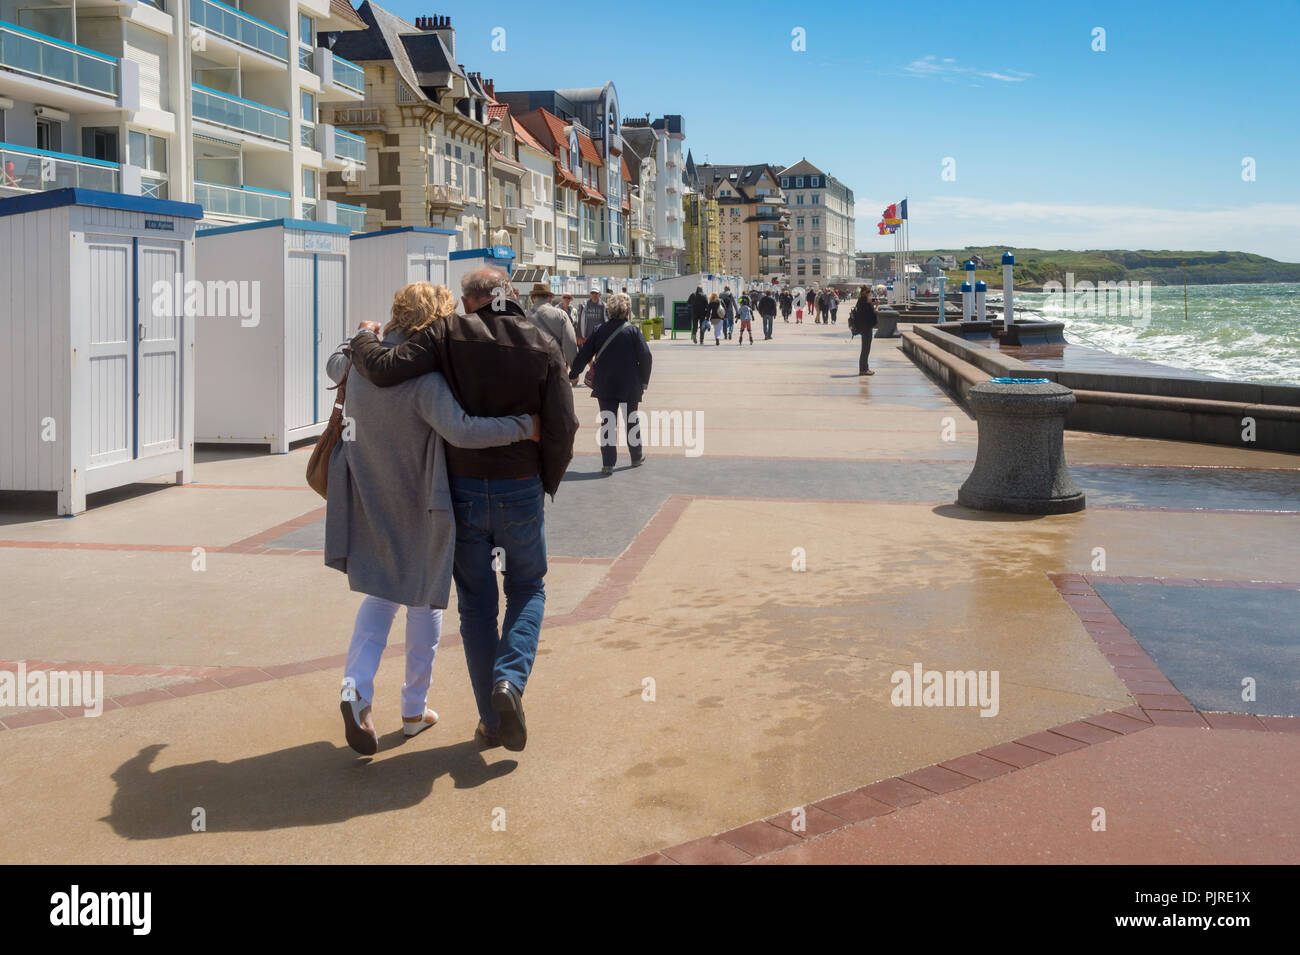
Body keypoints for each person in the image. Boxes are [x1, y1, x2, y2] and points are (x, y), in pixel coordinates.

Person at [345, 267, 579, 753]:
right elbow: (564, 422)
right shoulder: (541, 343)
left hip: (463, 490)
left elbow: (385, 369)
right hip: (519, 487)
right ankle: (509, 683)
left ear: (470, 299)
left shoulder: (446, 333)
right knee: (527, 588)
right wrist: (544, 479)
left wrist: (361, 339)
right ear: (507, 296)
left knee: (475, 607)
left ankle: (491, 722)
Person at [568, 293, 653, 474]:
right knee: (631, 419)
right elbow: (646, 356)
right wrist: (644, 381)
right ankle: (636, 456)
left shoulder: (599, 330)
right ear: (627, 311)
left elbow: (584, 354)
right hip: (630, 384)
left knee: (608, 422)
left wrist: (573, 374)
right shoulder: (633, 331)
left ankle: (608, 463)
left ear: (609, 310)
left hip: (605, 384)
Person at [526, 283, 578, 369]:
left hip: (531, 365)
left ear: (532, 298)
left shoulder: (524, 317)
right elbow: (570, 344)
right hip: (555, 364)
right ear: (550, 298)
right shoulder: (561, 315)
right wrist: (574, 370)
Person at [852, 285, 878, 375]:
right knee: (866, 349)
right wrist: (876, 307)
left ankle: (863, 368)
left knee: (864, 349)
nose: (870, 295)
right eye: (869, 293)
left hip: (862, 327)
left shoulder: (860, 302)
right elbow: (873, 315)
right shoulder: (867, 304)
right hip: (867, 328)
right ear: (866, 293)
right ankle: (864, 369)